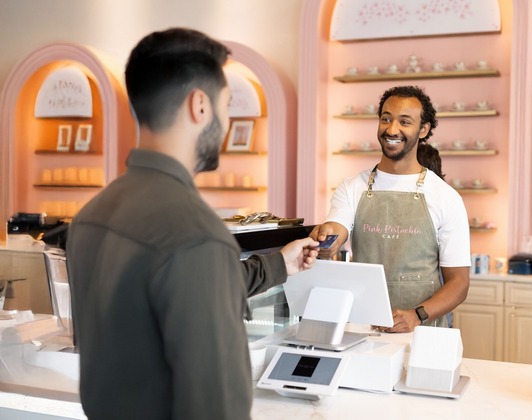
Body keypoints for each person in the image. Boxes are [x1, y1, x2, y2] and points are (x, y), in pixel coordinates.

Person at [66, 28, 319, 420]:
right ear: (200, 105)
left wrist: (279, 265)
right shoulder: (197, 235)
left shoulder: (90, 216)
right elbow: (218, 406)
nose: (228, 120)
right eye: (226, 105)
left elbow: (171, 292)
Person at [310, 85, 470, 333]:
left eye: (405, 122)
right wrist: (327, 238)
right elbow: (337, 227)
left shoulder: (446, 197)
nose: (392, 129)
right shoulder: (352, 187)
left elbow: (459, 283)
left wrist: (417, 315)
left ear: (423, 129)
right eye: (386, 119)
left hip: (422, 334)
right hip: (364, 328)